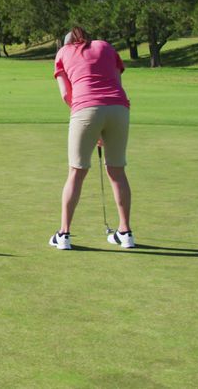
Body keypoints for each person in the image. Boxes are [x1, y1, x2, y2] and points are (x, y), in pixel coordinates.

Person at [49, 26, 134, 250]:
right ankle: (125, 233)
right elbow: (117, 82)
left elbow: (66, 94)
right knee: (117, 170)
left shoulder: (63, 53)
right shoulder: (106, 46)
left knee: (76, 172)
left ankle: (63, 235)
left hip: (85, 108)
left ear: (68, 43)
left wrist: (88, 123)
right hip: (119, 109)